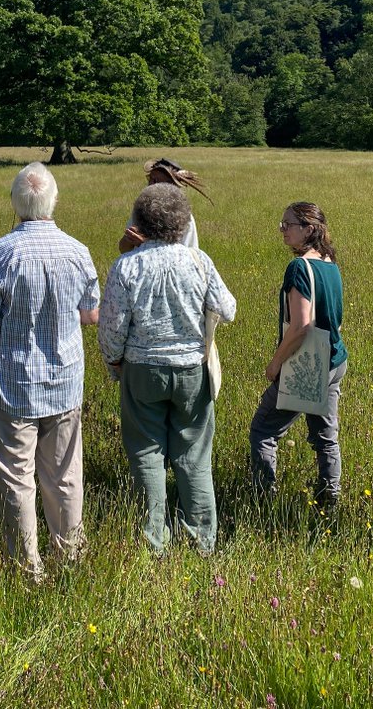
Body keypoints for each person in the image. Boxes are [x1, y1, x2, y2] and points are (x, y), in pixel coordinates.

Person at [0, 163, 100, 578]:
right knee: (64, 474)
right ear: (53, 201)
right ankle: (70, 554)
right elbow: (91, 315)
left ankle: (28, 566)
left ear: (15, 203)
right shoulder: (77, 251)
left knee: (16, 476)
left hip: (14, 381)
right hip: (63, 379)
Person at [99, 183, 236, 554]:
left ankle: (153, 541)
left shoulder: (127, 265)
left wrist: (115, 363)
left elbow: (112, 327)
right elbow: (228, 308)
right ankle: (202, 540)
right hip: (193, 368)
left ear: (140, 221)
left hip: (142, 369)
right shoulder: (198, 260)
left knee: (146, 452)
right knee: (194, 455)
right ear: (183, 222)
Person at [249, 202, 347, 510]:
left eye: (287, 224)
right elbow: (335, 317)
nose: (282, 229)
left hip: (307, 365)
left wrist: (276, 363)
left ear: (309, 228)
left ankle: (263, 498)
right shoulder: (330, 262)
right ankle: (328, 498)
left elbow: (301, 325)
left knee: (264, 430)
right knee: (325, 435)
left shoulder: (299, 268)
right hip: (334, 358)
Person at [118, 157, 208, 253]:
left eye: (157, 181)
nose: (151, 184)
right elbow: (123, 249)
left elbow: (188, 257)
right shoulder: (141, 210)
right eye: (150, 179)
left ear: (172, 186)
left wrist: (146, 245)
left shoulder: (184, 217)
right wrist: (128, 240)